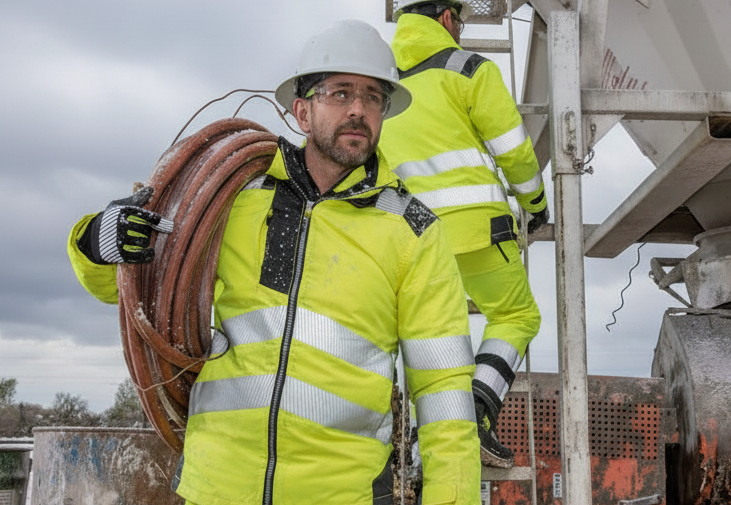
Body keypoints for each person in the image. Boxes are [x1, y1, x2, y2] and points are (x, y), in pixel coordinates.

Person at [66, 19, 480, 505]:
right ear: (302, 112)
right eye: (340, 93)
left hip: (340, 494)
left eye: (373, 97)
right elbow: (138, 288)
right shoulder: (233, 198)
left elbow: (444, 387)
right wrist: (98, 243)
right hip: (217, 487)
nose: (358, 110)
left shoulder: (412, 230)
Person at [378, 0, 548, 469]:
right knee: (516, 316)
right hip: (478, 229)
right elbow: (514, 151)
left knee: (429, 338)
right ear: (447, 18)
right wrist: (535, 204)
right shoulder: (469, 68)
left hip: (410, 238)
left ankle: (421, 439)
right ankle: (475, 413)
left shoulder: (380, 83)